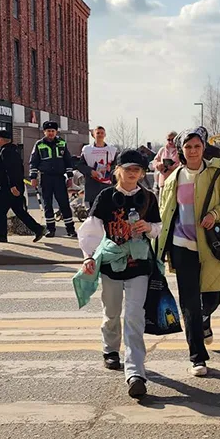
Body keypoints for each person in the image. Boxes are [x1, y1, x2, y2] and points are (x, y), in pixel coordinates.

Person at [157, 126, 220, 377]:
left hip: (211, 246)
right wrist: (157, 249)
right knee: (189, 303)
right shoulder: (173, 179)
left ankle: (204, 319)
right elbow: (165, 214)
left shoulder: (218, 175)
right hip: (182, 247)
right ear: (181, 150)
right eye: (188, 147)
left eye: (197, 146)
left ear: (203, 147)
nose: (193, 151)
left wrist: (215, 214)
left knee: (213, 297)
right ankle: (197, 357)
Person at [78, 150, 162, 398]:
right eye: (128, 168)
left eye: (137, 169)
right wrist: (88, 256)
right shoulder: (106, 197)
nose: (133, 172)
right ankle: (110, 349)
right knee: (112, 313)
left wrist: (148, 227)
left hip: (140, 267)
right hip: (111, 267)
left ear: (142, 172)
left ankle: (135, 373)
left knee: (134, 317)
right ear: (118, 170)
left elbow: (158, 227)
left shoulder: (148, 197)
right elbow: (91, 230)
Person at [0, 129, 45, 244]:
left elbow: (12, 170)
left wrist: (13, 186)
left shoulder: (7, 152)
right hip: (12, 187)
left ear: (2, 140)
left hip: (8, 188)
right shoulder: (11, 150)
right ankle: (38, 229)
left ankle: (1, 235)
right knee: (19, 211)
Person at [30, 121, 77, 238]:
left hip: (59, 178)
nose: (50, 133)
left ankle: (70, 229)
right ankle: (50, 229)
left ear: (56, 132)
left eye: (53, 131)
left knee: (64, 203)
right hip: (46, 177)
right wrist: (33, 178)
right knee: (48, 204)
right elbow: (33, 162)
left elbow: (68, 161)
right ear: (44, 132)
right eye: (48, 131)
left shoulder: (62, 143)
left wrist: (70, 177)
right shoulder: (39, 144)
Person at [77, 126, 118, 209]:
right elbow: (80, 165)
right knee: (93, 210)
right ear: (93, 135)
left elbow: (118, 165)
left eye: (102, 133)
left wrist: (111, 168)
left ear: (105, 135)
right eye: (98, 133)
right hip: (92, 184)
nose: (100, 135)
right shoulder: (87, 150)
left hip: (107, 184)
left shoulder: (112, 150)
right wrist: (90, 171)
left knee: (108, 209)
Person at [152, 131, 181, 195]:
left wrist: (173, 167)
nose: (170, 142)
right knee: (162, 203)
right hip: (163, 182)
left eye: (172, 139)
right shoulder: (162, 150)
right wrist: (158, 164)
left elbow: (184, 165)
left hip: (176, 182)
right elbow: (154, 162)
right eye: (168, 140)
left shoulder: (180, 151)